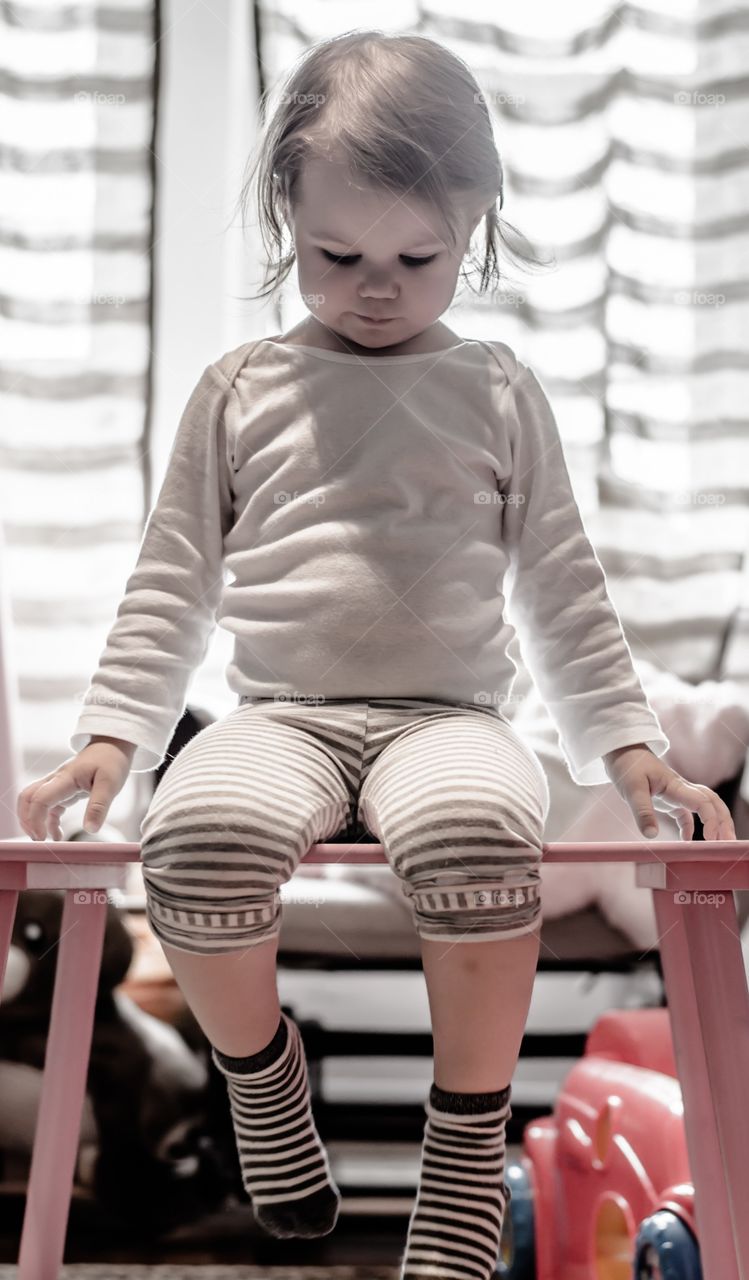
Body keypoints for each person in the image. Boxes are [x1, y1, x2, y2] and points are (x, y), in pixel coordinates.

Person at [16, 29, 736, 1280]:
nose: (378, 286)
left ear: (477, 226)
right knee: (190, 844)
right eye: (337, 256)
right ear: (287, 212)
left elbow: (565, 593)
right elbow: (170, 579)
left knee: (478, 838)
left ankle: (462, 1142)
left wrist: (631, 757)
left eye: (421, 257)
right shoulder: (240, 389)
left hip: (448, 714)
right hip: (280, 712)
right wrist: (108, 738)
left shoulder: (497, 391)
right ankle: (260, 1074)